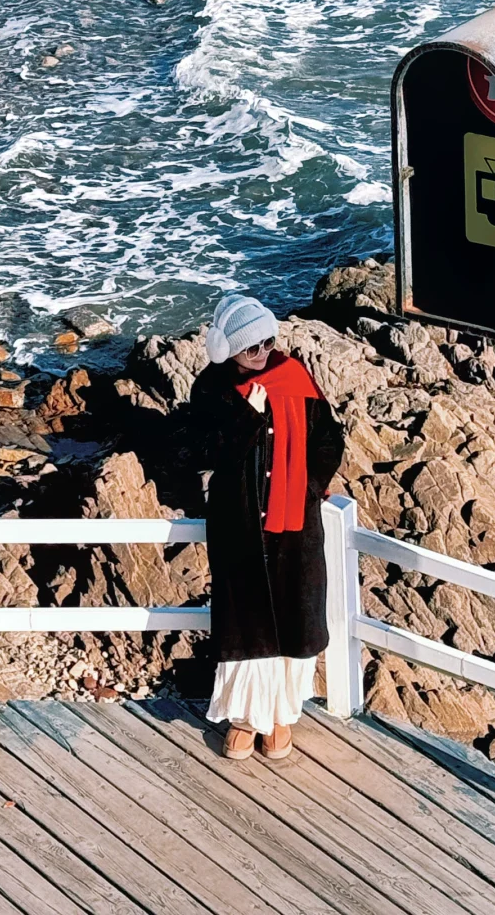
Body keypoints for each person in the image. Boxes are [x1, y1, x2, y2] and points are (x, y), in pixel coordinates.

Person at [190, 293, 344, 761]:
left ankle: (280, 716)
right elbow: (201, 452)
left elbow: (329, 439)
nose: (262, 353)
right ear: (229, 351)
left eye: (268, 341)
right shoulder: (212, 391)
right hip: (239, 527)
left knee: (293, 620)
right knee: (246, 624)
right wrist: (246, 418)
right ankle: (243, 718)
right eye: (251, 347)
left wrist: (311, 488)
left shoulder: (295, 378)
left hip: (294, 528)